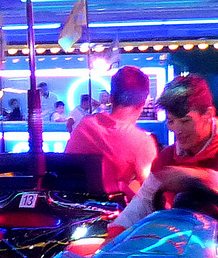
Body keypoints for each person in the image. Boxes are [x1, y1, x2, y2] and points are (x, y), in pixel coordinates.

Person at [108, 75, 218, 258]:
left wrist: (201, 178)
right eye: (171, 121)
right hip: (181, 244)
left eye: (185, 121)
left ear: (208, 115)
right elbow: (143, 203)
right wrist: (114, 237)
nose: (177, 129)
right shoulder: (168, 157)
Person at [64, 65, 160, 199]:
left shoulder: (84, 126)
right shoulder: (142, 141)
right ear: (143, 103)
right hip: (116, 214)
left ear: (112, 98)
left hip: (73, 207)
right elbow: (151, 191)